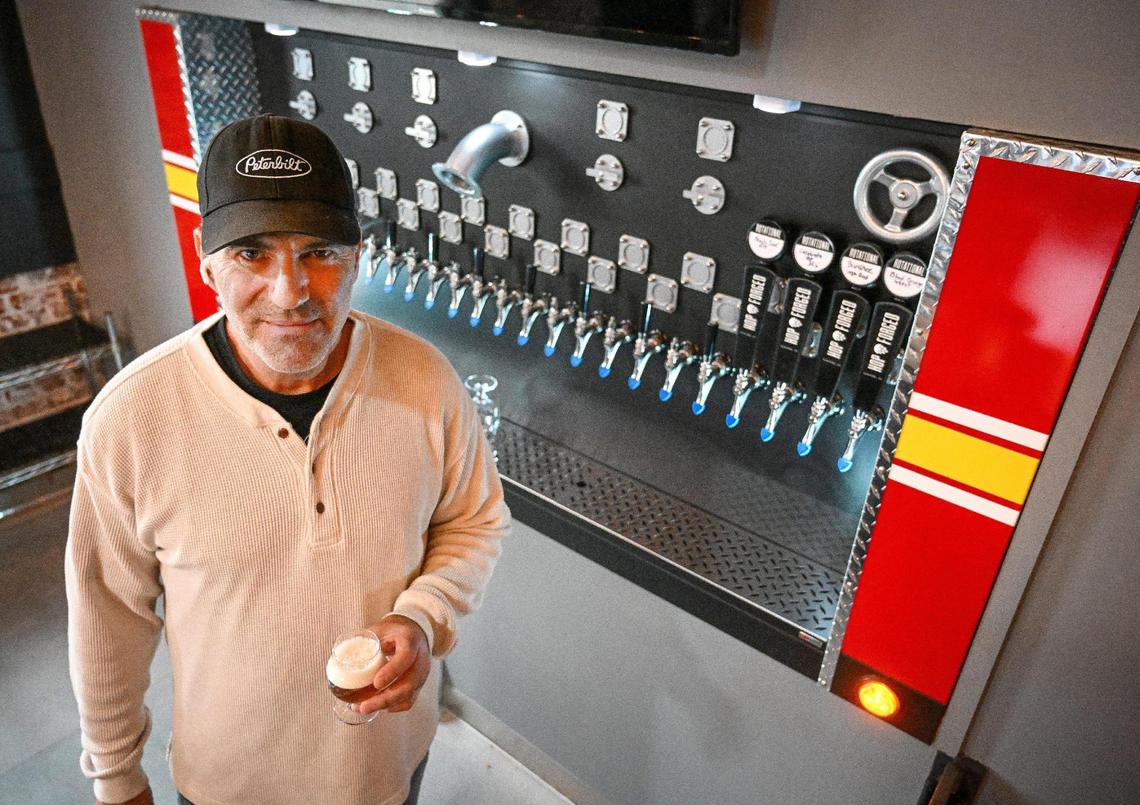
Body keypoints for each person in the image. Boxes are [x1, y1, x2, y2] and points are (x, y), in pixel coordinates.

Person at [64, 114, 510, 805]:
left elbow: (474, 520)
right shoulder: (130, 419)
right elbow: (106, 617)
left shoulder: (425, 380)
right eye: (251, 253)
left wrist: (422, 615)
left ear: (358, 255)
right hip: (228, 785)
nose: (290, 291)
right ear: (205, 257)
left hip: (385, 771)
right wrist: (118, 780)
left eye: (320, 252)